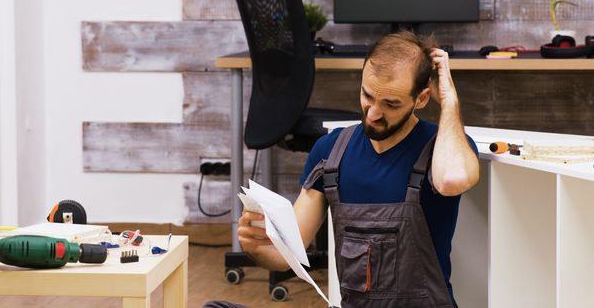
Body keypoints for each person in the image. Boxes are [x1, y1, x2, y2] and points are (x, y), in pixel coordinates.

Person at [205, 31, 480, 308]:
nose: (373, 113)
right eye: (367, 95)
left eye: (391, 104)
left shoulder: (442, 148)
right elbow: (285, 255)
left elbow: (452, 180)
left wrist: (449, 100)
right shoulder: (330, 152)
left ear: (421, 99)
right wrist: (258, 245)